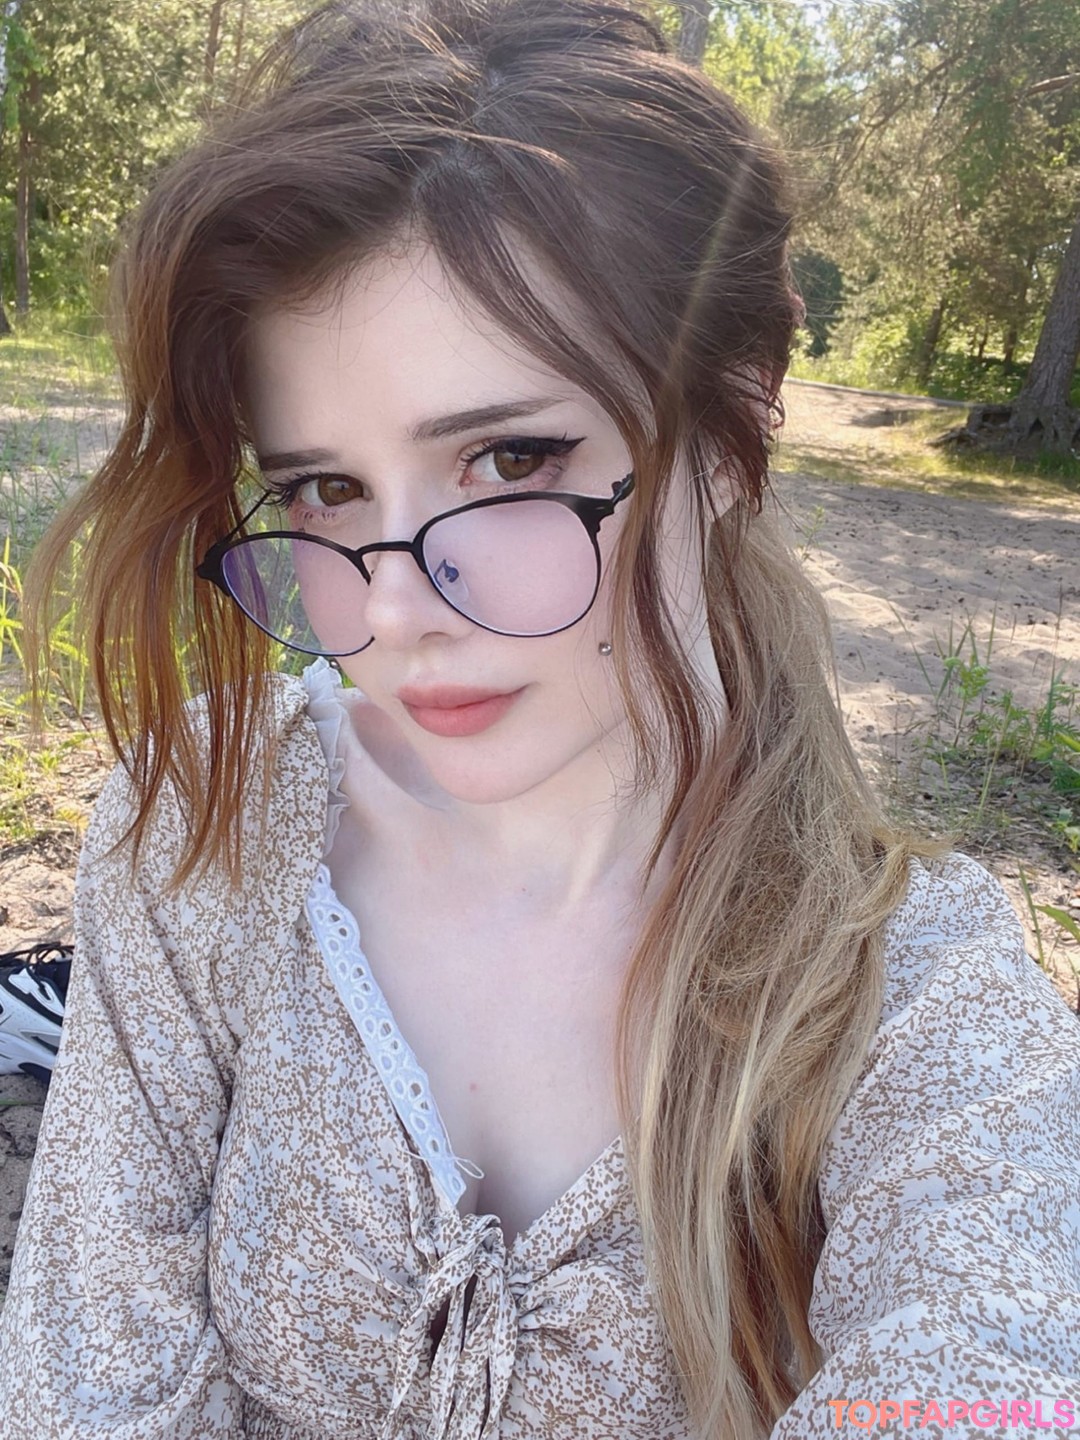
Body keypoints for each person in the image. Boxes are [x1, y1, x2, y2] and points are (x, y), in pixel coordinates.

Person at [2, 1, 1078, 1436]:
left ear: (735, 425)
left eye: (510, 461)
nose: (391, 612)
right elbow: (85, 1381)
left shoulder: (918, 999)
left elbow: (996, 1362)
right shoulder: (205, 823)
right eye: (324, 490)